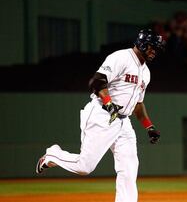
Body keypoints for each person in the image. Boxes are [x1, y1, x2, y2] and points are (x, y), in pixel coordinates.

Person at [35, 29, 164, 202]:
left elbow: (138, 104)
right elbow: (97, 82)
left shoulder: (145, 72)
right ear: (141, 43)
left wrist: (149, 126)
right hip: (102, 115)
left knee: (129, 167)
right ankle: (52, 155)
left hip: (123, 122)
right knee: (84, 167)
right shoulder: (121, 57)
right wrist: (109, 104)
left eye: (156, 48)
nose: (154, 51)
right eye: (151, 47)